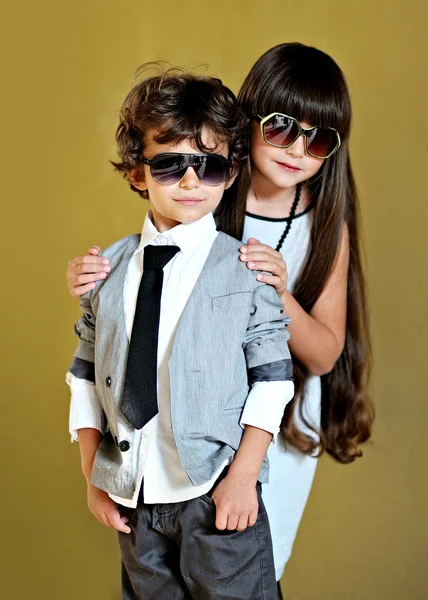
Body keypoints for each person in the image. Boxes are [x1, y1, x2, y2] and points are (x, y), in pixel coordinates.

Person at [66, 43, 373, 597]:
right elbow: (135, 303)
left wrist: (276, 288)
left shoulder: (327, 224)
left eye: (319, 139)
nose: (298, 149)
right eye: (281, 128)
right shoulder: (202, 194)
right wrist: (94, 278)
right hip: (185, 415)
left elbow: (324, 354)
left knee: (246, 566)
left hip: (276, 418)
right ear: (244, 127)